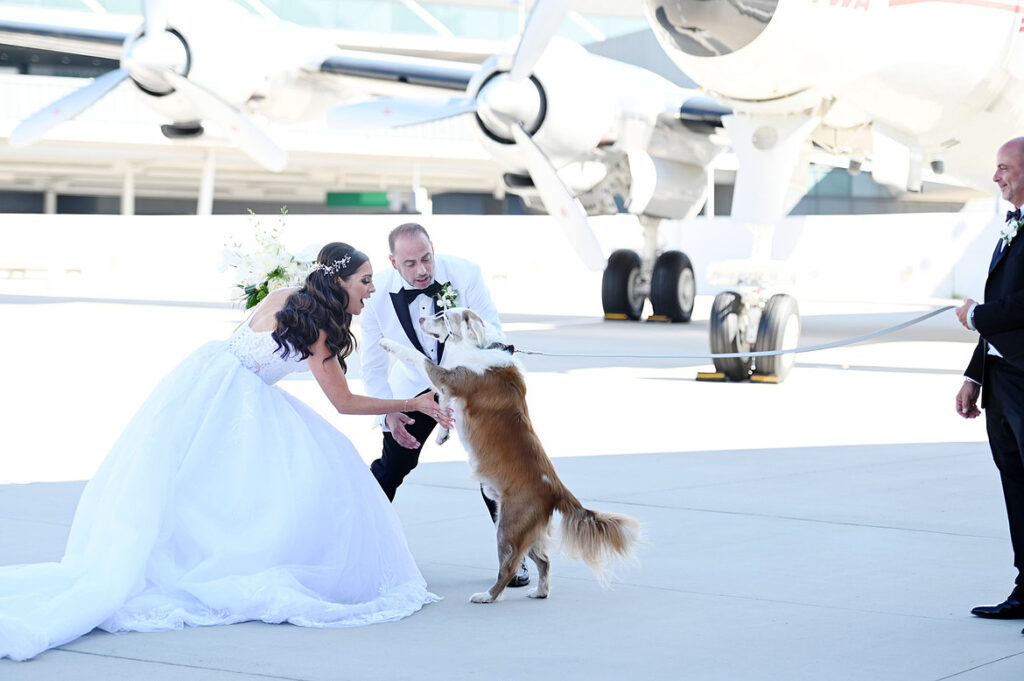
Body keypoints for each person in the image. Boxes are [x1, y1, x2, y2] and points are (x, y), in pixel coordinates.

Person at [0, 242, 449, 661]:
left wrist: (392, 412)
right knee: (314, 472)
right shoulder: (321, 329)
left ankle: (189, 558)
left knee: (193, 487)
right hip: (238, 400)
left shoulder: (286, 294)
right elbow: (343, 403)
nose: (371, 290)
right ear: (339, 282)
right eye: (365, 281)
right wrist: (411, 403)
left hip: (205, 380)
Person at [360, 223, 530, 587]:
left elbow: (492, 332)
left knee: (497, 473)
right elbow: (372, 366)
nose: (422, 270)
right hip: (414, 390)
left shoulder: (466, 274)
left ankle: (516, 556)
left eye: (426, 259)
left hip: (470, 387)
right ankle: (357, 544)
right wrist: (389, 411)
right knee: (393, 468)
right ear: (392, 262)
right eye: (410, 263)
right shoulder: (375, 297)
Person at [956, 137, 1024, 633]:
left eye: (1005, 168)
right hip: (1001, 378)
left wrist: (976, 315)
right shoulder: (1011, 224)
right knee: (1016, 488)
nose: (997, 177)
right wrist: (974, 374)